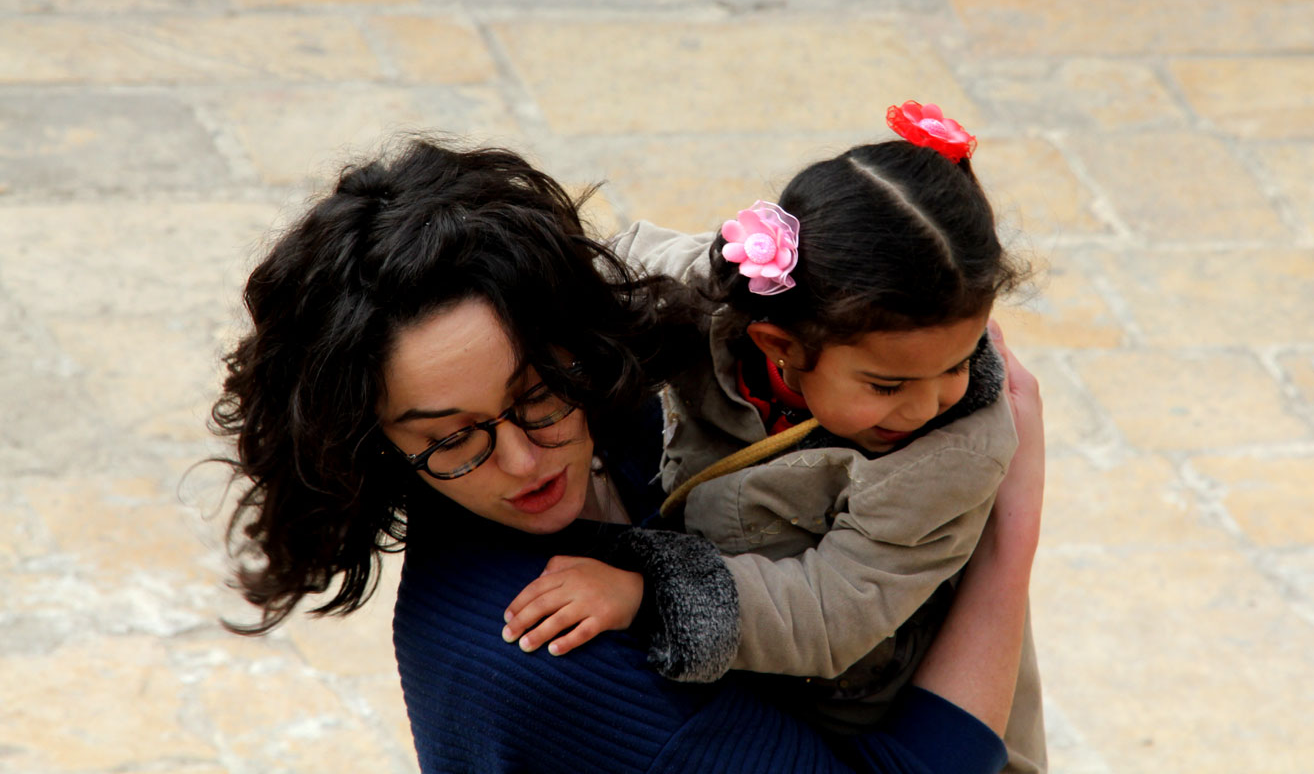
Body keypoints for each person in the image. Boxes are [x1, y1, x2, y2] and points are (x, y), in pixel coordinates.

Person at [212, 137, 1045, 774]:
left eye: (540, 396)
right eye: (454, 439)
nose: (525, 461)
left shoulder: (631, 394)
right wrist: (1008, 547)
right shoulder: (553, 664)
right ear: (375, 443)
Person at [500, 103, 1046, 771]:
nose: (928, 404)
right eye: (886, 384)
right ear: (778, 343)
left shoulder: (952, 453)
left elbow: (832, 612)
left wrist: (647, 593)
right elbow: (604, 275)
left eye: (957, 366)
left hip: (868, 713)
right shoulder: (714, 301)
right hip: (752, 659)